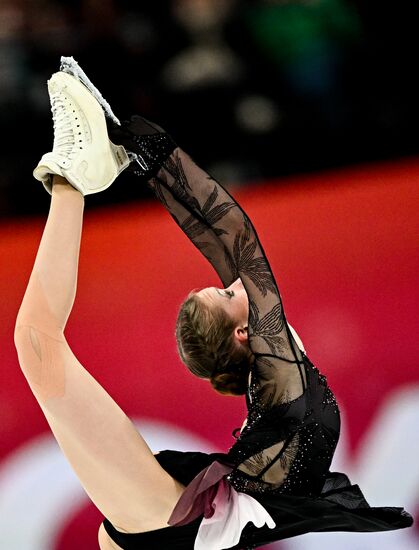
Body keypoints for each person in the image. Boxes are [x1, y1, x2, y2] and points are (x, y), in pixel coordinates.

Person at [14, 59, 413, 550]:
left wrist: (142, 152)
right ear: (243, 332)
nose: (233, 283)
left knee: (36, 342)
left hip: (175, 519)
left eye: (225, 289)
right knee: (36, 342)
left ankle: (75, 174)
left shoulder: (277, 372)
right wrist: (140, 150)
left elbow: (225, 236)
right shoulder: (282, 370)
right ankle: (75, 172)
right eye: (226, 293)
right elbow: (224, 234)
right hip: (177, 521)